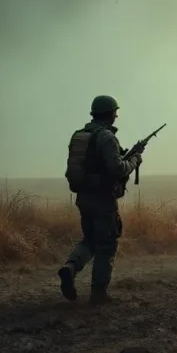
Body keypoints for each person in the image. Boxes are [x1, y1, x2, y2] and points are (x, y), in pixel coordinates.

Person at [58, 94, 142, 305]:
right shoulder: (106, 137)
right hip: (103, 198)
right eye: (115, 112)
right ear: (110, 114)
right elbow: (117, 169)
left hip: (83, 197)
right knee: (106, 244)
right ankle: (99, 293)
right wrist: (134, 159)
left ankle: (70, 267)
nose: (116, 115)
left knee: (90, 240)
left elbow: (92, 164)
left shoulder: (80, 135)